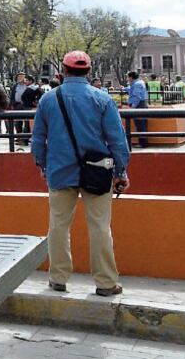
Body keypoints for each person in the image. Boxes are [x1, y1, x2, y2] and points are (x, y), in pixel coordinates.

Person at [32, 51, 130, 297]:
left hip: (59, 171)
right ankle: (106, 282)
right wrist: (121, 171)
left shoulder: (49, 100)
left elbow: (37, 140)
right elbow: (117, 140)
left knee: (57, 226)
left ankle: (58, 278)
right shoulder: (102, 98)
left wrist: (43, 166)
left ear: (63, 71)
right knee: (99, 227)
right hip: (97, 172)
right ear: (88, 71)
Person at [126, 71, 149, 148]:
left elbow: (136, 96)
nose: (127, 78)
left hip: (139, 106)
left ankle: (143, 143)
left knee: (140, 124)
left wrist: (133, 107)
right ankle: (143, 142)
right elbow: (133, 91)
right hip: (141, 105)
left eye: (128, 77)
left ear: (131, 77)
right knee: (142, 124)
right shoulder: (138, 83)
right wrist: (126, 88)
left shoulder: (137, 84)